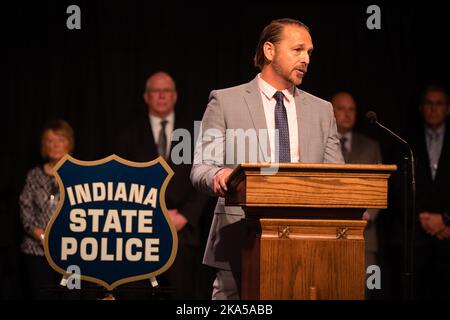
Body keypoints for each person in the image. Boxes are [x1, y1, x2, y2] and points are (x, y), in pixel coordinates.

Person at [191, 18, 344, 300]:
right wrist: (219, 176)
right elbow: (200, 168)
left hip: (308, 245)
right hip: (239, 241)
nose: (306, 59)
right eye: (298, 49)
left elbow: (338, 180)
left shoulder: (322, 110)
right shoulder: (225, 101)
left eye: (309, 52)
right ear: (270, 51)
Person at [115, 71, 210, 299]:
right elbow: (120, 180)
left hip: (182, 232)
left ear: (175, 96)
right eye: (156, 91)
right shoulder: (128, 134)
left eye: (166, 91)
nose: (161, 96)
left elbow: (205, 177)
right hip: (139, 232)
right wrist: (149, 215)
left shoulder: (195, 133)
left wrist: (185, 216)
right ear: (147, 97)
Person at [331, 91, 383, 299]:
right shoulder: (322, 142)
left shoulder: (371, 146)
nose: (347, 114)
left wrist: (368, 213)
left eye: (351, 109)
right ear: (330, 112)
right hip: (329, 233)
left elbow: (380, 185)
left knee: (365, 290)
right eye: (341, 108)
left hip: (365, 236)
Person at [19, 120, 74, 299]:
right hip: (37, 251)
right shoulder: (34, 175)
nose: (55, 145)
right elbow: (26, 211)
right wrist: (42, 237)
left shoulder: (79, 174)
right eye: (50, 140)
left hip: (71, 252)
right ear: (44, 145)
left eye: (60, 139)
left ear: (69, 143)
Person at [411, 85, 450, 299]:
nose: (433, 109)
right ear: (421, 108)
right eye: (428, 103)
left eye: (439, 104)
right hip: (417, 237)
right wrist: (425, 220)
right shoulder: (406, 141)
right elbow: (400, 187)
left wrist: (445, 220)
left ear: (448, 109)